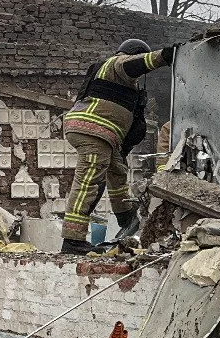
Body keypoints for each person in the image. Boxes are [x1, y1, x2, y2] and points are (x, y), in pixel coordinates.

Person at [61, 38, 176, 254]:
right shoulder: (116, 64)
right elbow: (134, 64)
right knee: (89, 181)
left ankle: (125, 216)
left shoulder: (123, 82)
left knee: (117, 171)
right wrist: (163, 56)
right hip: (93, 129)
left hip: (104, 134)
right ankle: (72, 240)